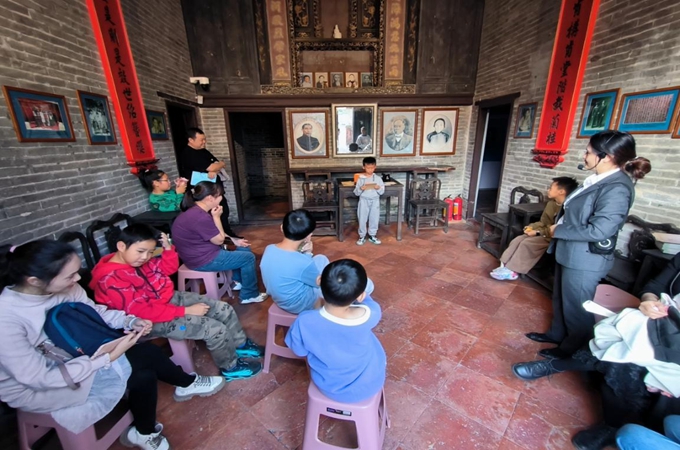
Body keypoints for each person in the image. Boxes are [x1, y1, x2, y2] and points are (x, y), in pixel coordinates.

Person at [0, 241, 225, 450]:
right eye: (70, 276)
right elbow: (37, 377)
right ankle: (184, 384)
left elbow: (96, 312)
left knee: (143, 371)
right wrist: (104, 359)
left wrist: (130, 321)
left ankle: (145, 429)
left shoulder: (63, 288)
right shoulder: (7, 318)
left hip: (81, 354)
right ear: (34, 281)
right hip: (43, 385)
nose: (78, 279)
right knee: (144, 356)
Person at [512, 252, 680, 450]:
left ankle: (610, 423)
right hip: (663, 326)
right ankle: (610, 421)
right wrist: (649, 301)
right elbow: (655, 287)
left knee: (624, 346)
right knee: (626, 340)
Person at [525, 130, 652, 360]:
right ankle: (557, 334)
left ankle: (572, 350)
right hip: (570, 251)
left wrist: (559, 230)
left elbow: (601, 230)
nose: (584, 156)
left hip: (585, 257)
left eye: (588, 152)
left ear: (607, 156)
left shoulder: (617, 188)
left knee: (577, 306)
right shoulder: (599, 180)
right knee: (561, 297)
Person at [90, 223, 263, 381]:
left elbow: (169, 269)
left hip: (168, 300)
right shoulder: (111, 279)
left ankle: (240, 344)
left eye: (150, 252)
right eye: (141, 251)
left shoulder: (136, 261)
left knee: (223, 308)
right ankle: (230, 367)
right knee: (214, 328)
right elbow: (141, 312)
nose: (145, 257)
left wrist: (167, 249)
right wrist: (185, 311)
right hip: (148, 321)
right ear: (121, 246)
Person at [285, 259, 386, 403]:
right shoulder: (372, 313)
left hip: (329, 387)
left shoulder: (304, 321)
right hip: (370, 385)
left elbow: (299, 351)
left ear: (319, 281)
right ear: (361, 296)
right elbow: (368, 302)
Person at [171, 181, 268, 305]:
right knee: (248, 258)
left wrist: (234, 240)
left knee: (244, 249)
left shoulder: (194, 211)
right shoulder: (200, 217)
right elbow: (219, 240)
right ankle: (249, 295)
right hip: (203, 260)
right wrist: (217, 217)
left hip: (196, 255)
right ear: (210, 198)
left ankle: (237, 282)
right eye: (220, 195)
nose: (222, 198)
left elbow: (213, 232)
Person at [490, 177, 578, 281]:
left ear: (561, 191)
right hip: (543, 232)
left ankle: (513, 271)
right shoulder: (551, 204)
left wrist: (537, 232)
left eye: (550, 188)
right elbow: (543, 222)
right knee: (518, 239)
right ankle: (504, 265)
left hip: (553, 236)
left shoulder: (568, 208)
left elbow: (557, 228)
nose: (548, 190)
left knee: (527, 243)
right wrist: (532, 227)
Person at [260, 209, 330, 314]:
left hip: (279, 299)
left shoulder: (269, 248)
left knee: (320, 258)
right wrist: (308, 254)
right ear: (308, 236)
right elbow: (318, 283)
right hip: (300, 305)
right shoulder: (304, 262)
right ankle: (333, 305)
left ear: (282, 228)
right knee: (326, 278)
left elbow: (288, 263)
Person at [178, 127, 242, 238]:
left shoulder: (203, 151)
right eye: (201, 140)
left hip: (214, 189)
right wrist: (217, 166)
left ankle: (227, 235)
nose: (204, 142)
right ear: (191, 140)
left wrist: (218, 166)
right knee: (213, 214)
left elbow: (217, 165)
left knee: (223, 211)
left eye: (205, 139)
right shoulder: (189, 154)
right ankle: (220, 237)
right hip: (204, 192)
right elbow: (213, 166)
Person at [354, 157, 385, 246]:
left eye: (372, 168)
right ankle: (362, 236)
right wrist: (361, 188)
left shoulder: (378, 179)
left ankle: (372, 235)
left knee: (374, 218)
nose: (370, 170)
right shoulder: (361, 179)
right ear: (364, 167)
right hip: (364, 201)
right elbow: (356, 193)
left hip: (375, 200)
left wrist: (378, 188)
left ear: (375, 167)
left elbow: (382, 191)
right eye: (368, 168)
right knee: (362, 218)